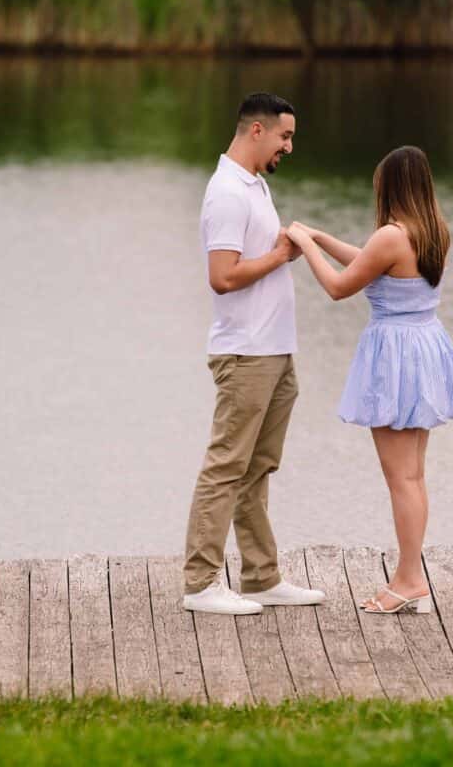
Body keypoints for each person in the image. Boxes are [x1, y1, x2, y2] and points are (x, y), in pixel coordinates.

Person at [286, 145, 453, 614]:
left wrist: (304, 243)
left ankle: (409, 579)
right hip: (424, 347)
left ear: (389, 186)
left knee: (400, 478)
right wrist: (324, 238)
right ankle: (412, 574)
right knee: (413, 475)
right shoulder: (432, 231)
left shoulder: (391, 235)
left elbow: (338, 287)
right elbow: (370, 262)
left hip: (397, 357)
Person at [182, 93, 326, 615]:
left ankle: (261, 578)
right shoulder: (227, 193)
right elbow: (222, 278)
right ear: (257, 131)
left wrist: (284, 244)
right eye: (285, 136)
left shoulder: (255, 185)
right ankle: (200, 584)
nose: (290, 146)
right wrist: (280, 255)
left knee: (257, 467)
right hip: (245, 355)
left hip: (275, 351)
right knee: (226, 466)